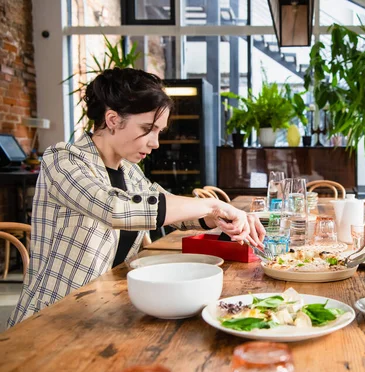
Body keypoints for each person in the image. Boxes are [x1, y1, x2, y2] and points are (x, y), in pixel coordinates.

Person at [8, 68, 265, 327]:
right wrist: (212, 203)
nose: (155, 143)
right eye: (147, 129)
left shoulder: (128, 170)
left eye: (159, 132)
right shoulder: (62, 159)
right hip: (54, 315)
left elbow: (167, 207)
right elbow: (115, 208)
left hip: (106, 306)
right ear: (112, 119)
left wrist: (218, 216)